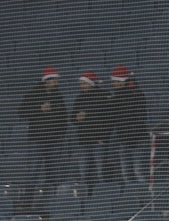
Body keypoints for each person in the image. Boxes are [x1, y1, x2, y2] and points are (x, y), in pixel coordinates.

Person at [18, 66, 68, 198]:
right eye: (54, 81)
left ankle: (50, 199)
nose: (56, 83)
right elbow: (22, 112)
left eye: (57, 81)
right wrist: (39, 109)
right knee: (33, 171)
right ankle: (28, 200)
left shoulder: (58, 96)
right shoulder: (33, 95)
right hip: (37, 139)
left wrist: (61, 133)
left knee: (53, 172)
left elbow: (63, 116)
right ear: (47, 81)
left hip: (54, 140)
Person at [108, 65, 148, 184]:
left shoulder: (137, 94)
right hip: (123, 139)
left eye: (117, 81)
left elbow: (141, 116)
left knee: (138, 171)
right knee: (126, 173)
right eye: (113, 82)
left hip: (138, 139)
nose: (115, 84)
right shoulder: (115, 97)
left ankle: (145, 197)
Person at [72, 70, 110, 187]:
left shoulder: (103, 96)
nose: (82, 86)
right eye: (81, 84)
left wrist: (103, 137)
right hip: (83, 140)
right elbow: (72, 118)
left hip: (98, 140)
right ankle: (86, 197)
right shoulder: (79, 98)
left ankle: (103, 193)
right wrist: (76, 118)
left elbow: (108, 119)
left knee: (101, 172)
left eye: (84, 84)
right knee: (84, 173)